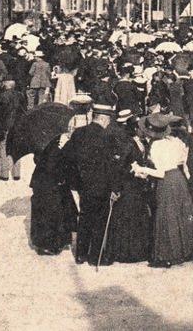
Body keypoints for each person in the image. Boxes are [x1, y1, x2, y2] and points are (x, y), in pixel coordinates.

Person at [131, 113, 193, 268]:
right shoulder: (175, 141)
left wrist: (140, 169)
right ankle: (187, 248)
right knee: (182, 213)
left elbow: (160, 172)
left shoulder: (157, 146)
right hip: (178, 178)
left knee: (166, 215)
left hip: (167, 181)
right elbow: (181, 160)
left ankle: (169, 253)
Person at [63, 95, 121, 265]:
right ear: (103, 118)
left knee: (85, 217)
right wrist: (115, 188)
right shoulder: (108, 137)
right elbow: (112, 167)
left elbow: (67, 156)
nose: (109, 122)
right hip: (102, 186)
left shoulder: (79, 133)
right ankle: (95, 257)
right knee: (100, 221)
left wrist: (75, 180)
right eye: (108, 119)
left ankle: (80, 254)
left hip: (84, 185)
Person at [104, 109, 153, 263]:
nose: (144, 132)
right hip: (129, 186)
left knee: (137, 217)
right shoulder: (128, 143)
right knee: (128, 218)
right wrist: (133, 171)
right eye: (141, 129)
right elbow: (120, 166)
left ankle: (137, 250)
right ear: (134, 129)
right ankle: (127, 253)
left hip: (136, 186)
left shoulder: (140, 142)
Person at [29, 117, 78, 256]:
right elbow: (51, 165)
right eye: (70, 129)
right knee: (49, 212)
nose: (71, 131)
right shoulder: (58, 144)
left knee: (59, 208)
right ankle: (46, 245)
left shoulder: (55, 141)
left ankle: (58, 241)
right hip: (46, 183)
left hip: (48, 182)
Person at [0, 80, 25, 181]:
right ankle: (16, 174)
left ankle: (4, 175)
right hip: (17, 126)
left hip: (6, 126)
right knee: (16, 149)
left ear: (6, 85)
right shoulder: (21, 95)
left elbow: (0, 113)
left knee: (3, 149)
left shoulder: (2, 96)